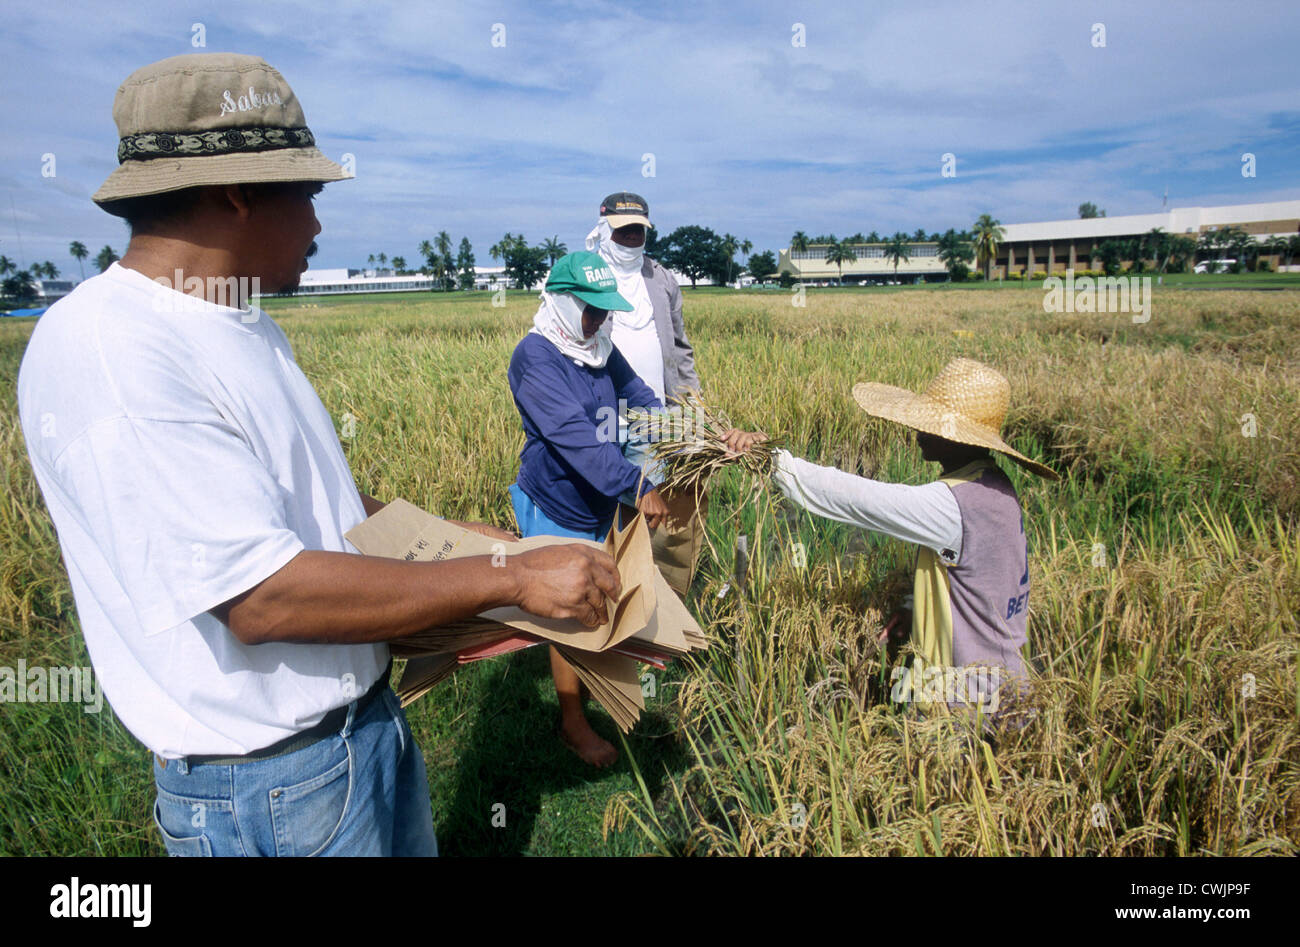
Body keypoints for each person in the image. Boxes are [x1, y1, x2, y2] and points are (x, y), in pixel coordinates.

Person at [16, 53, 621, 857]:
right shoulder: (113, 349)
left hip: (354, 737)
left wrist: (483, 542)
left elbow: (311, 501)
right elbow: (262, 598)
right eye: (306, 193)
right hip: (268, 786)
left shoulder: (240, 324)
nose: (318, 224)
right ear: (235, 191)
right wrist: (509, 577)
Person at [767, 358, 1059, 720]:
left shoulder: (953, 505)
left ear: (955, 437)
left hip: (968, 708)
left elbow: (859, 499)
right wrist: (912, 608)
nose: (918, 432)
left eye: (929, 426)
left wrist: (774, 460)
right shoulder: (995, 486)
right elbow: (974, 579)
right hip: (1005, 687)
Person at [507, 251, 671, 766]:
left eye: (605, 312)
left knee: (598, 598)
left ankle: (598, 685)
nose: (600, 320)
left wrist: (682, 435)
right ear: (560, 302)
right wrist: (637, 483)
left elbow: (638, 395)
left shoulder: (597, 344)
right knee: (568, 616)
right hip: (558, 502)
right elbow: (577, 441)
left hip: (598, 500)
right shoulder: (536, 358)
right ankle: (573, 722)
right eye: (591, 310)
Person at [584, 192, 707, 596]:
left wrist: (693, 407)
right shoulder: (586, 276)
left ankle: (645, 598)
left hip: (655, 417)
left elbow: (681, 348)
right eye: (624, 230)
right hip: (601, 417)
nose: (633, 237)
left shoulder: (661, 278)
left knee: (647, 511)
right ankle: (603, 592)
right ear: (604, 229)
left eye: (639, 229)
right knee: (604, 506)